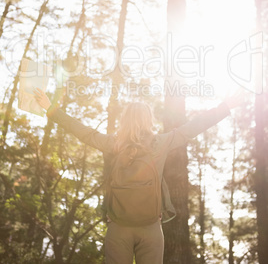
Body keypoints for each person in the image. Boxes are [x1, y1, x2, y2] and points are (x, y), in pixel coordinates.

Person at [34, 87, 243, 264]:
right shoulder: (159, 144)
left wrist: (50, 109)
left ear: (125, 121)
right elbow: (192, 128)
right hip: (150, 228)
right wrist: (225, 107)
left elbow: (82, 131)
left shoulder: (112, 144)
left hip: (118, 228)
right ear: (148, 120)